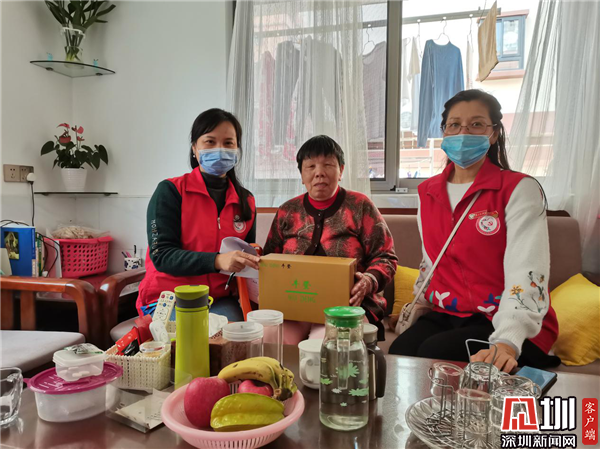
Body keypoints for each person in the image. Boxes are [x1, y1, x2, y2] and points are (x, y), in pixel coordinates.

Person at [389, 90, 560, 372]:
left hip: (507, 319)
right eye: (455, 125)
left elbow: (528, 270)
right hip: (449, 313)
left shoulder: (519, 189)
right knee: (401, 352)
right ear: (444, 133)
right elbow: (431, 261)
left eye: (477, 124)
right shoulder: (427, 191)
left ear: (494, 134)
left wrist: (508, 341)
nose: (463, 133)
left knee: (436, 354)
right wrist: (417, 307)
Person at [264, 135, 398, 343]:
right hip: (294, 307)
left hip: (347, 307)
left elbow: (386, 257)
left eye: (328, 165)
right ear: (301, 174)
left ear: (341, 170)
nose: (319, 172)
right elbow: (269, 258)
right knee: (269, 339)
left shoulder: (360, 206)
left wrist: (368, 281)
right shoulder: (287, 211)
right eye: (310, 166)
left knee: (326, 345)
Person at [137, 109, 260, 321]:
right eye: (210, 142)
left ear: (237, 149)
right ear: (194, 148)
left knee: (235, 335)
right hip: (168, 298)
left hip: (219, 299)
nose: (220, 149)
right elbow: (162, 255)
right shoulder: (170, 191)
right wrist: (217, 261)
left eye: (228, 143)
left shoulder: (246, 201)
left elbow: (245, 257)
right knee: (195, 335)